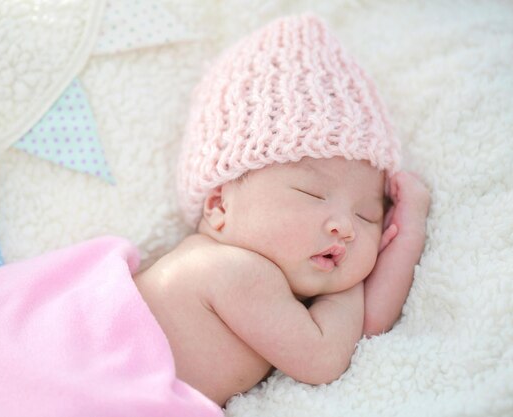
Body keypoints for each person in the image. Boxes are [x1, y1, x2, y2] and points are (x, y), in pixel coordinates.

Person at [134, 14, 431, 406]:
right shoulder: (229, 269)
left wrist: (408, 231)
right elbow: (325, 355)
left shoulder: (283, 293)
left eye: (368, 215)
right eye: (311, 194)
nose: (346, 227)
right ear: (220, 205)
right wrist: (352, 280)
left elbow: (366, 328)